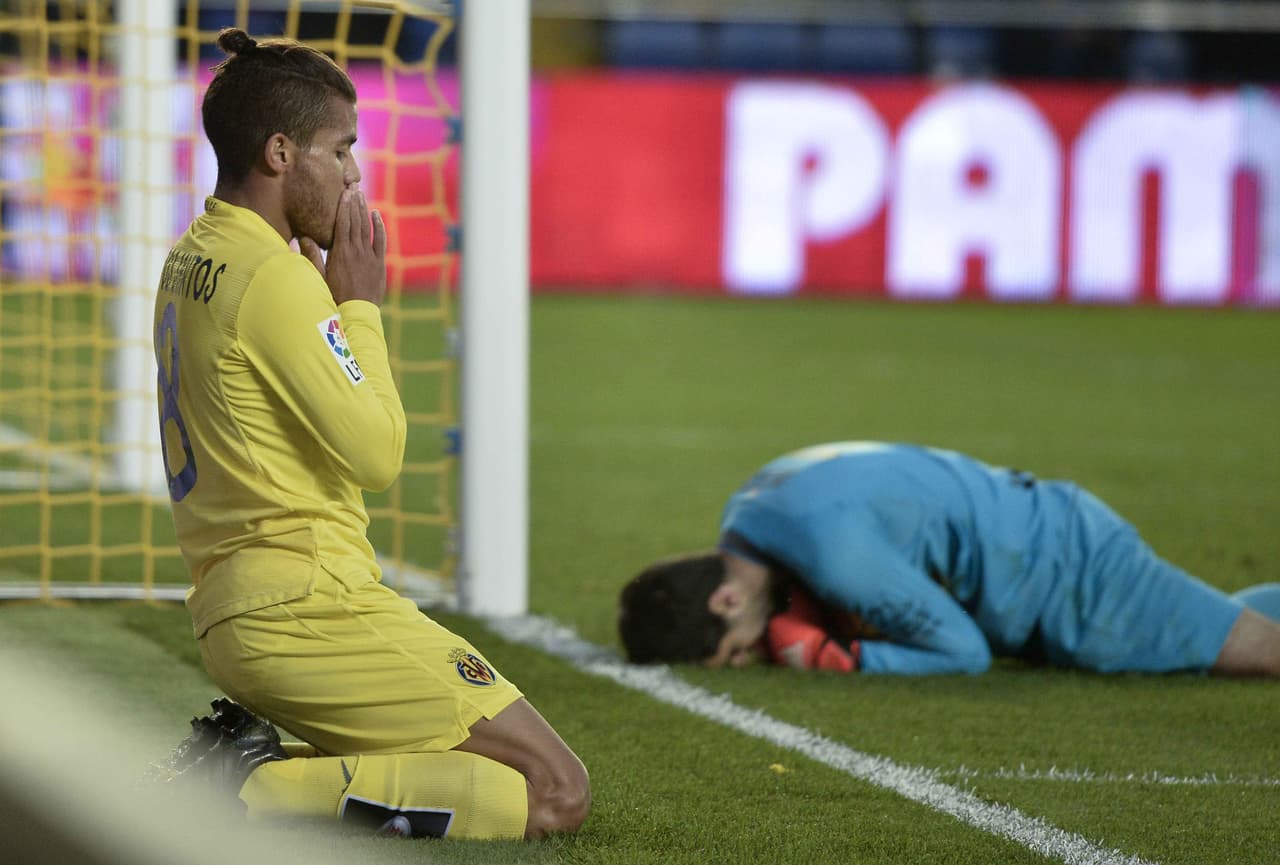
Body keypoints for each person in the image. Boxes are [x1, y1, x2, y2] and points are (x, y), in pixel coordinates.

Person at [153, 29, 589, 839]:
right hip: (309, 606)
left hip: (236, 607)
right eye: (341, 149)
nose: (354, 173)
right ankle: (244, 793)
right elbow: (377, 454)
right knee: (555, 789)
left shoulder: (193, 256)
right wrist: (357, 306)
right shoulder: (276, 279)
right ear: (281, 153)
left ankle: (256, 769)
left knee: (464, 774)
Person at [618, 441, 1280, 677]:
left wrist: (846, 659)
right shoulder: (749, 511)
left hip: (1065, 576)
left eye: (736, 648)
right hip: (1045, 527)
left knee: (1253, 651)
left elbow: (963, 650)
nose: (756, 652)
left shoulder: (832, 553)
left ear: (726, 599)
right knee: (1215, 624)